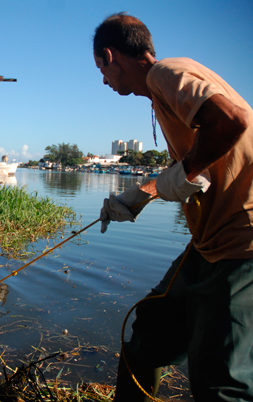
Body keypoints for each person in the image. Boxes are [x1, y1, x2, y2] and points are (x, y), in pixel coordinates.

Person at [93, 13, 253, 401]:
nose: (104, 80)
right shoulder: (165, 91)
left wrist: (185, 171)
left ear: (112, 56)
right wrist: (140, 195)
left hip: (240, 244)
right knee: (147, 335)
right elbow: (196, 163)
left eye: (101, 69)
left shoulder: (165, 73)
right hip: (205, 244)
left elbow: (234, 121)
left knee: (221, 382)